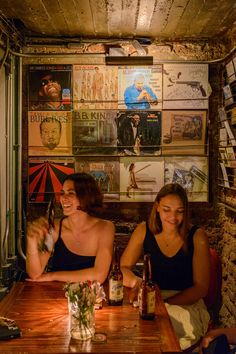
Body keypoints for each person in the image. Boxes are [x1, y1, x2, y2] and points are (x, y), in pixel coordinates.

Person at [120, 183, 211, 350]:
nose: (173, 217)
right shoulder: (143, 230)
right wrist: (138, 283)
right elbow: (124, 267)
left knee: (166, 337)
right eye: (167, 209)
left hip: (184, 303)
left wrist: (164, 304)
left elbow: (201, 288)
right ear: (157, 207)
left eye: (179, 211)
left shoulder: (198, 237)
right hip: (152, 299)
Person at [26, 172, 115, 283]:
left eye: (71, 193)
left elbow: (99, 276)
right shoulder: (55, 228)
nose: (63, 198)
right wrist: (32, 241)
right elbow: (35, 274)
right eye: (62, 193)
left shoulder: (105, 228)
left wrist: (52, 276)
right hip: (56, 296)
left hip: (89, 298)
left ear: (85, 197)